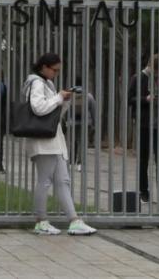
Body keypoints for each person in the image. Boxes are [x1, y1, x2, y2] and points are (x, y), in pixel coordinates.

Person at [24, 53, 96, 236]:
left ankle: (74, 220)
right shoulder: (37, 83)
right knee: (45, 181)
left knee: (63, 181)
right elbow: (38, 108)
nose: (56, 73)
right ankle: (40, 221)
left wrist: (64, 100)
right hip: (44, 141)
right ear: (44, 67)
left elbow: (54, 114)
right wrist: (58, 97)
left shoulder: (47, 83)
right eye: (54, 70)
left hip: (53, 140)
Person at [128, 55, 158, 203]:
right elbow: (129, 99)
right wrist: (145, 99)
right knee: (143, 159)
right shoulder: (138, 77)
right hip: (144, 123)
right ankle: (143, 191)